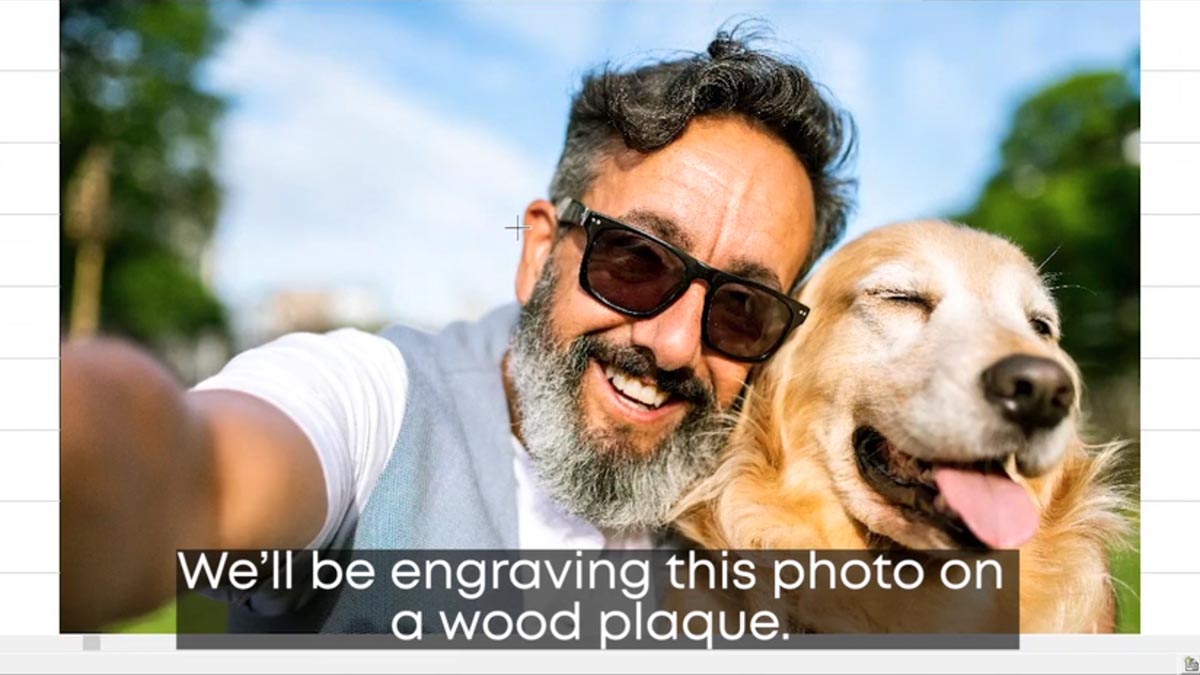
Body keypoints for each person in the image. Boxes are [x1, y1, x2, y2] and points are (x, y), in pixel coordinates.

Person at [60, 27, 856, 632]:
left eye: (742, 309)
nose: (677, 343)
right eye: (637, 261)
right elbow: (204, 469)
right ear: (541, 248)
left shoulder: (737, 503)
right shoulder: (381, 406)